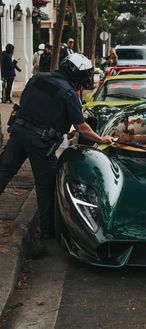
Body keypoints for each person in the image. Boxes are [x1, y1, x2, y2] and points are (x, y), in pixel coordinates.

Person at [0, 53, 112, 240]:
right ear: (76, 74)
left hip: (18, 133)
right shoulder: (68, 93)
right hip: (40, 143)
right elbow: (82, 127)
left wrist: (58, 127)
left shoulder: (37, 78)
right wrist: (101, 139)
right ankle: (48, 233)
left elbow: (34, 106)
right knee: (46, 186)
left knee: (4, 171)